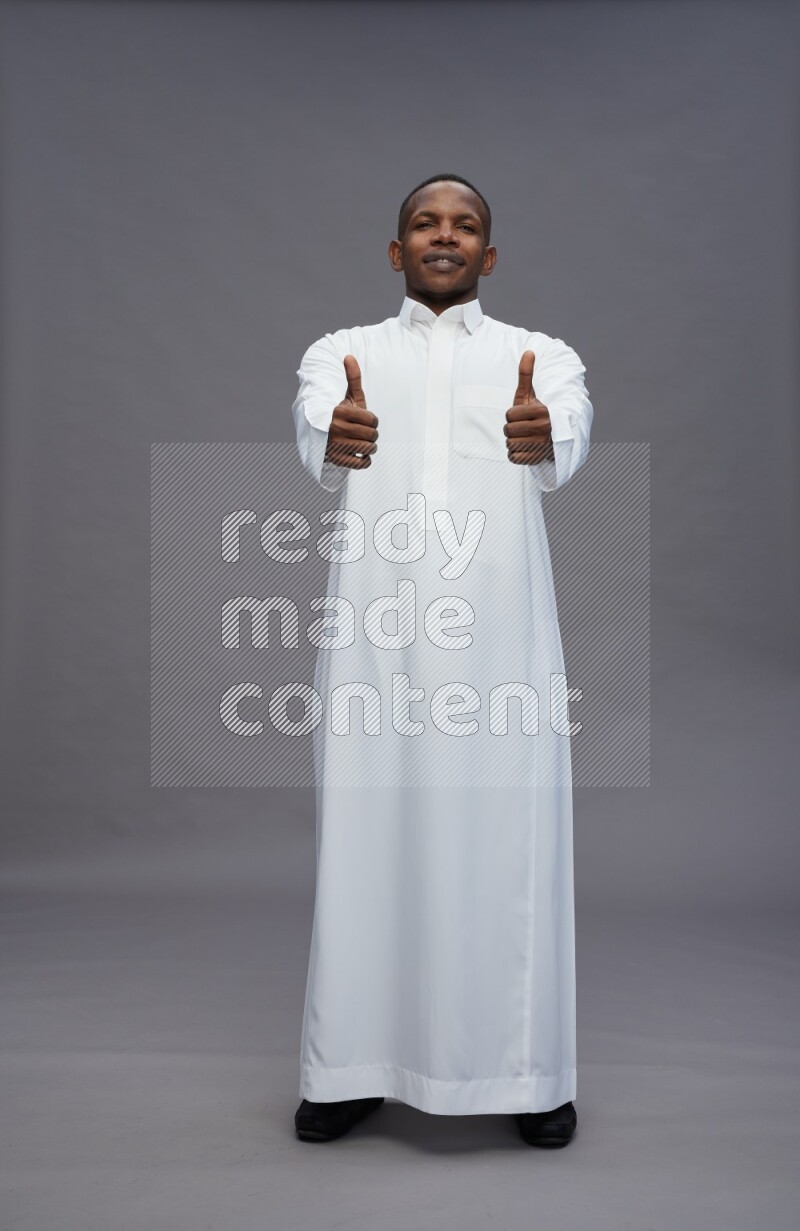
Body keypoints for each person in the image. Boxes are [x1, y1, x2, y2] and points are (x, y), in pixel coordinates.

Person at [290, 174, 592, 1147]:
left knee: (507, 842)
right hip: (376, 638)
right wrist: (331, 435)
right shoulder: (342, 354)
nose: (444, 235)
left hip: (499, 643)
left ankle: (527, 1068)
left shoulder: (538, 356)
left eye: (464, 226)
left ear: (489, 257)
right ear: (395, 251)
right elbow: (316, 429)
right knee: (366, 841)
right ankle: (349, 1066)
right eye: (425, 222)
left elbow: (566, 432)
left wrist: (547, 435)